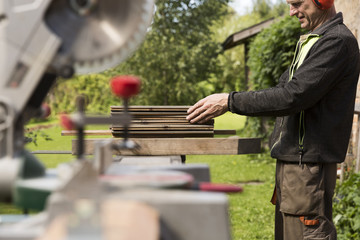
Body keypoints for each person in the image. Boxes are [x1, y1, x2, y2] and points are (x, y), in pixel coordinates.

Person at [186, 0, 360, 239]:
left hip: (307, 168)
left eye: (297, 3)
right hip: (294, 166)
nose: (291, 12)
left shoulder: (336, 41)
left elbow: (291, 97)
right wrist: (231, 100)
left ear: (323, 1)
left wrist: (229, 101)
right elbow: (283, 90)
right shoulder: (313, 40)